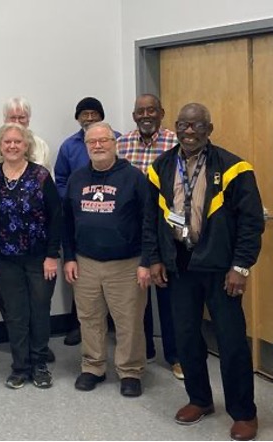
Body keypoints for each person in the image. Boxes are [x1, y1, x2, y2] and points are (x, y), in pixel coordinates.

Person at [144, 103, 264, 441]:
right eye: (183, 125)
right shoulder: (161, 166)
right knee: (185, 338)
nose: (189, 131)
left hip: (221, 269)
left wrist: (241, 266)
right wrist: (154, 258)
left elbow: (252, 222)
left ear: (209, 129)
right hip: (180, 267)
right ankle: (199, 400)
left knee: (231, 342)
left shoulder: (234, 167)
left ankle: (244, 413)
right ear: (176, 127)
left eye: (197, 125)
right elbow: (150, 220)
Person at [62, 121, 150, 398]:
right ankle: (93, 366)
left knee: (129, 320)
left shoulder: (134, 177)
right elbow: (66, 222)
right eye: (92, 142)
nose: (98, 146)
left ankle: (131, 371)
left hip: (126, 264)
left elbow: (149, 222)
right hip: (85, 261)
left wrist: (147, 261)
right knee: (89, 318)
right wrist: (69, 258)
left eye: (104, 140)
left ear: (115, 143)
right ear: (86, 146)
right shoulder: (77, 178)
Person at [0, 123, 62, 390]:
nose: (12, 146)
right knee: (15, 314)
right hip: (3, 258)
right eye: (7, 142)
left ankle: (39, 365)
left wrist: (52, 256)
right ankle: (20, 367)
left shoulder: (40, 176)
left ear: (27, 145)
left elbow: (56, 217)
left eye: (18, 142)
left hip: (39, 259)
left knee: (39, 311)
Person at [116, 94, 182, 380]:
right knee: (136, 295)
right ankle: (143, 352)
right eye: (141, 111)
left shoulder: (176, 143)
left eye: (151, 110)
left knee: (169, 295)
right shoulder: (121, 144)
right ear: (134, 116)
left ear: (161, 113)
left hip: (167, 228)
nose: (146, 115)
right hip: (132, 230)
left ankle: (176, 356)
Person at [55, 97, 120, 347]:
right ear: (78, 118)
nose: (89, 118)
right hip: (82, 219)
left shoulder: (118, 140)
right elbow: (60, 178)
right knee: (83, 284)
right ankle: (79, 328)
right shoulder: (69, 146)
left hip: (112, 220)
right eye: (85, 114)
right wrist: (72, 198)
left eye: (94, 113)